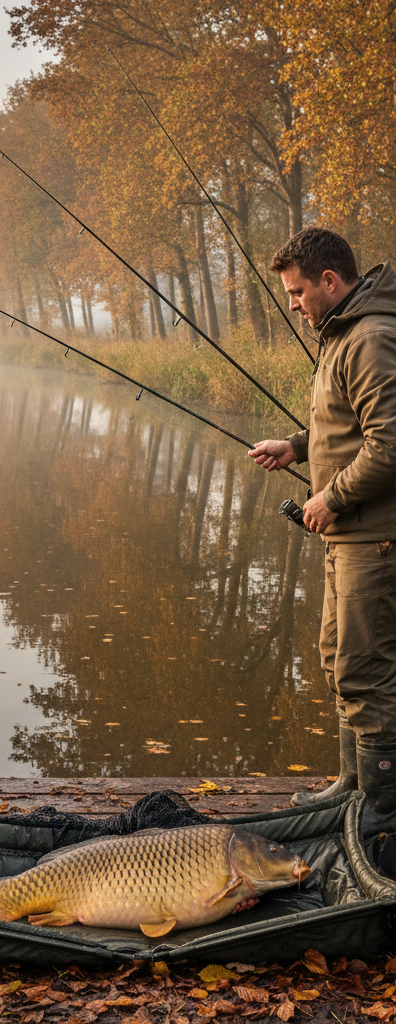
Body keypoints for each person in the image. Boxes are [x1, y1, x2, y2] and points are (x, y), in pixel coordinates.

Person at [248, 227, 396, 834]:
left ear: (329, 282)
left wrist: (331, 496)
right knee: (338, 660)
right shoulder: (343, 335)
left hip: (373, 536)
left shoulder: (370, 337)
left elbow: (390, 443)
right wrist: (297, 447)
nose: (293, 304)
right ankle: (349, 789)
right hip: (349, 533)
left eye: (296, 292)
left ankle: (380, 817)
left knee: (366, 672)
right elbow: (349, 426)